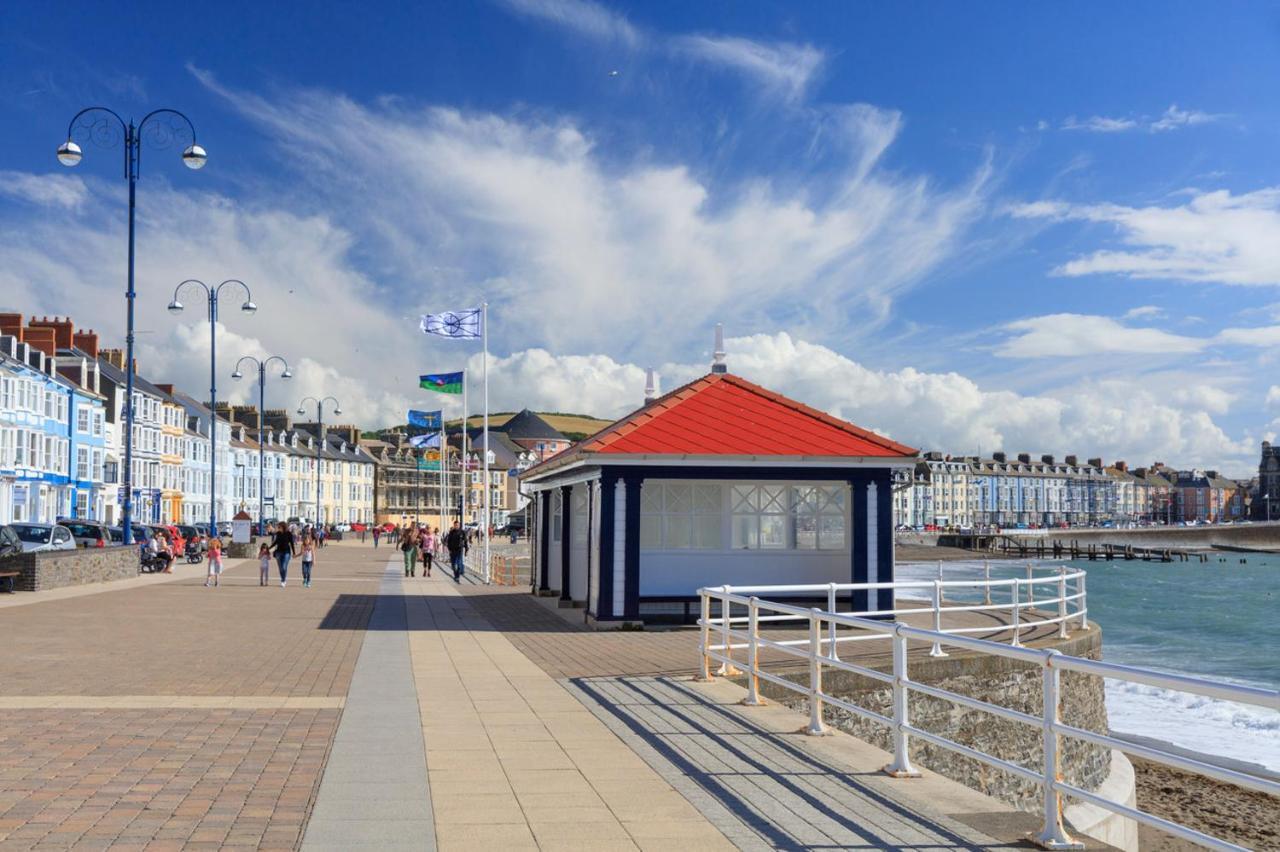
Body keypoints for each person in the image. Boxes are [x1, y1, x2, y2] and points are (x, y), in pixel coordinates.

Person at [270, 521, 297, 587]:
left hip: (286, 552)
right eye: (278, 527)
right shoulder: (278, 533)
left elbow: (292, 543)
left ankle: (283, 580)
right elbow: (275, 542)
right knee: (280, 568)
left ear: (283, 527)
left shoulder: (289, 533)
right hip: (278, 552)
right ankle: (283, 579)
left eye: (279, 527)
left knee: (284, 567)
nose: (278, 528)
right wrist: (269, 548)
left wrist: (294, 553)